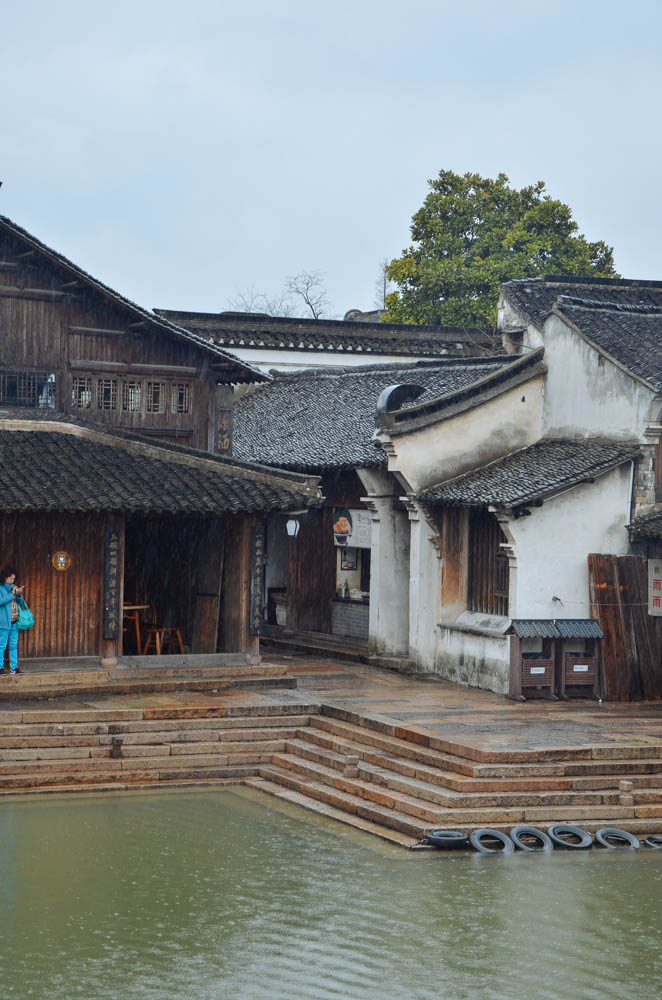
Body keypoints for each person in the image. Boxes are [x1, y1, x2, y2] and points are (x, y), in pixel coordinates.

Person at [0, 568, 23, 675]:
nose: (13, 581)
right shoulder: (1, 588)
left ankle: (14, 667)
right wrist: (12, 594)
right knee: (2, 645)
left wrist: (18, 594)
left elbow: (21, 601)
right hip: (4, 622)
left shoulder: (14, 587)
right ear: (5, 577)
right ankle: (0, 667)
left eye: (14, 579)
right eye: (11, 578)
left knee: (13, 645)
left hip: (14, 621)